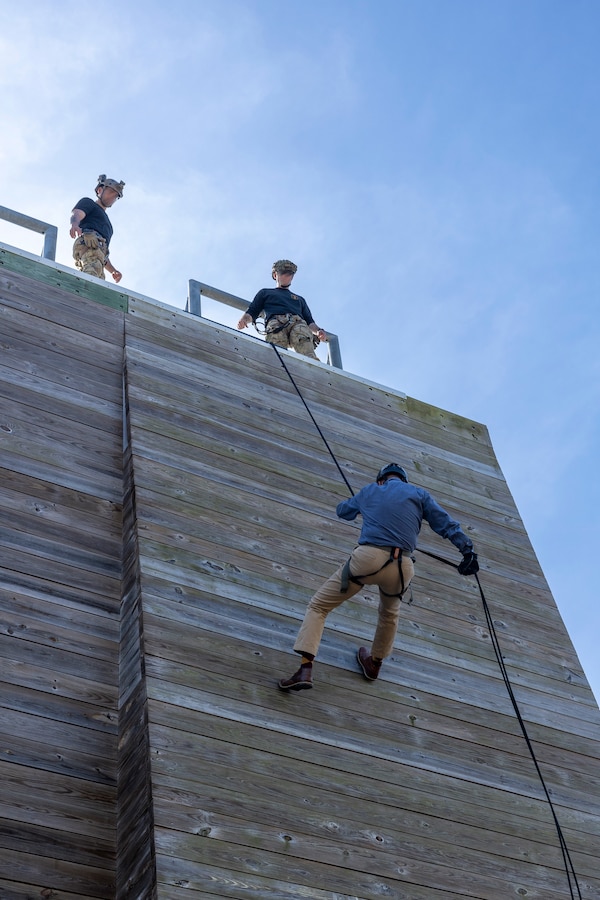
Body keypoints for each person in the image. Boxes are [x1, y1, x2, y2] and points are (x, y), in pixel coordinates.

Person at [278, 463, 479, 691]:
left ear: (381, 479)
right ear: (403, 480)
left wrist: (363, 505)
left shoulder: (371, 490)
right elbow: (446, 524)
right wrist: (468, 551)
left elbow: (342, 511)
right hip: (402, 566)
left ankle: (305, 669)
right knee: (389, 614)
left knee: (319, 606)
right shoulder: (419, 494)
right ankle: (374, 664)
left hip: (368, 559)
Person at [237, 259, 326, 359]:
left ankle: (310, 366)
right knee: (276, 351)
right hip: (276, 323)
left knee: (304, 342)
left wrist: (318, 331)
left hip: (297, 323)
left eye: (290, 274)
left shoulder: (299, 299)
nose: (287, 276)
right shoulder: (265, 293)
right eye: (284, 273)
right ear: (275, 275)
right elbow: (253, 311)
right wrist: (244, 320)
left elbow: (309, 322)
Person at [70, 175, 125, 282]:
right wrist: (75, 224)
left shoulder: (108, 226)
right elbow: (77, 213)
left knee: (99, 279)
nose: (112, 197)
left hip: (98, 253)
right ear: (100, 190)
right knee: (91, 275)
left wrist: (113, 271)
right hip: (89, 241)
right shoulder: (89, 203)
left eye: (115, 196)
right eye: (111, 192)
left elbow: (102, 253)